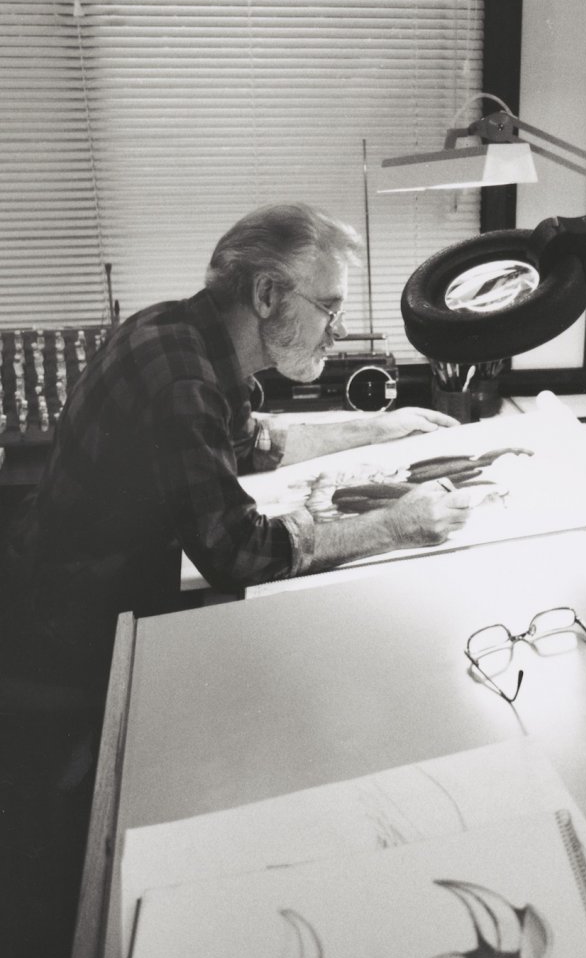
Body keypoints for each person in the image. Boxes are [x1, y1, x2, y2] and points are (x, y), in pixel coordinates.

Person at [0, 201, 472, 694]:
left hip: (66, 572)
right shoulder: (184, 383)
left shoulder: (184, 331)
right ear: (266, 293)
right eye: (330, 307)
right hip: (76, 618)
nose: (341, 329)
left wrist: (376, 429)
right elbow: (237, 553)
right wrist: (397, 526)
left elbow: (251, 444)